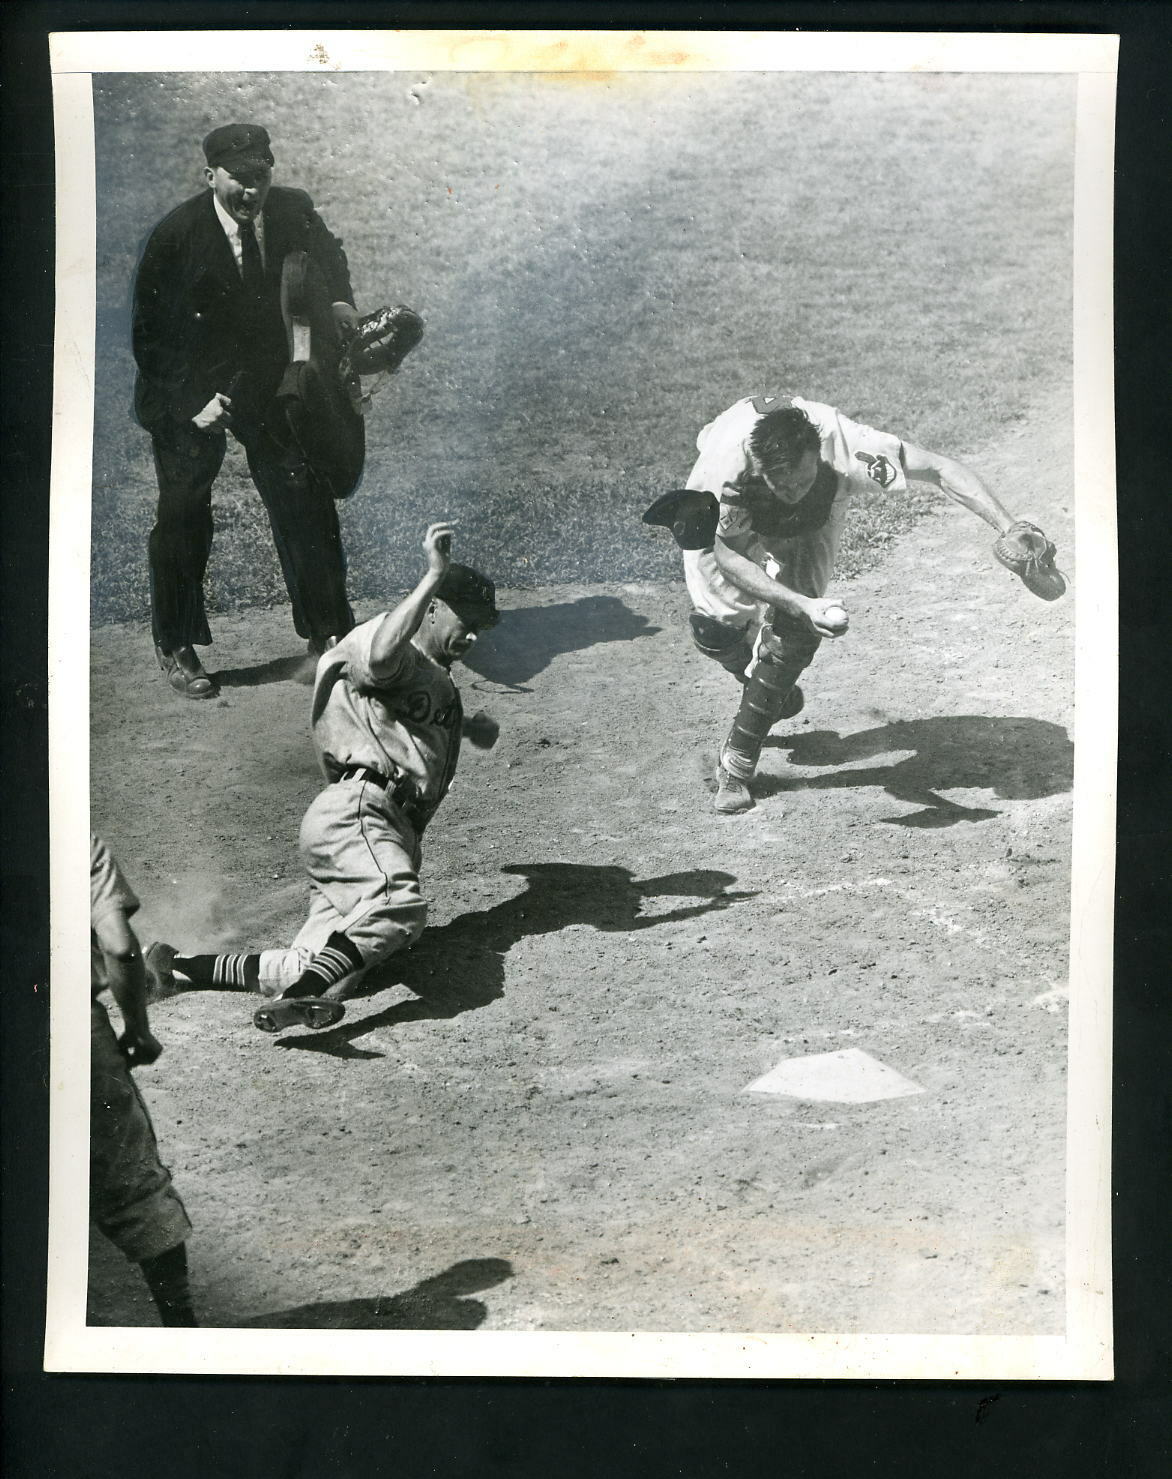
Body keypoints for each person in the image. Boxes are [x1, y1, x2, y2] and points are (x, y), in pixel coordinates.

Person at [146, 522, 501, 1033]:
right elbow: (379, 661)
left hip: (371, 828)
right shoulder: (382, 643)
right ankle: (301, 1000)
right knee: (400, 908)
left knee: (322, 967)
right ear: (432, 608)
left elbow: (396, 713)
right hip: (359, 815)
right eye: (465, 620)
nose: (471, 635)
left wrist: (465, 725)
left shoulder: (428, 672)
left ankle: (174, 966)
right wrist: (433, 574)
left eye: (480, 628)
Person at [670, 391, 1055, 815]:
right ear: (760, 469)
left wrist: (1009, 525)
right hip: (730, 492)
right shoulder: (727, 473)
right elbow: (730, 555)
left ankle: (737, 764)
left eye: (799, 479)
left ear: (816, 455)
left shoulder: (846, 449)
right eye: (780, 485)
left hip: (820, 503)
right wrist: (799, 602)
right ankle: (756, 677)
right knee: (716, 628)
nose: (791, 492)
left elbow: (941, 470)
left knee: (798, 632)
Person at [133, 123, 361, 698]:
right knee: (184, 509)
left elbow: (329, 257)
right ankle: (177, 642)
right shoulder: (176, 235)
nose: (251, 192)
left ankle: (330, 633)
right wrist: (192, 403)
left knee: (301, 494)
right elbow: (150, 336)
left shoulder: (292, 210)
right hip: (188, 386)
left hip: (265, 381)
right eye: (238, 180)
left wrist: (338, 306)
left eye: (260, 177)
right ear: (211, 176)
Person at [90, 836, 197, 1326]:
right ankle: (181, 1338)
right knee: (133, 1190)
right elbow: (117, 944)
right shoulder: (73, 834)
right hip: (67, 1033)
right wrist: (136, 1028)